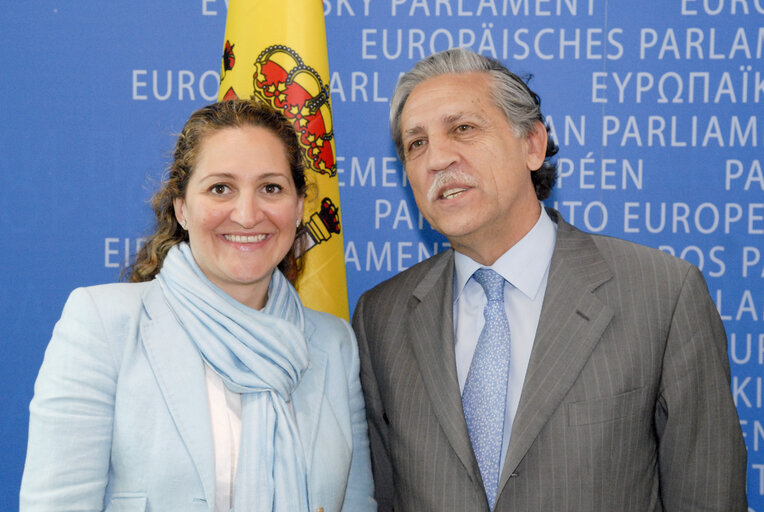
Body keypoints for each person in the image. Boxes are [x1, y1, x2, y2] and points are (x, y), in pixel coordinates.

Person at [352, 48, 747, 511]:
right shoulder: (381, 316)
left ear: (532, 145)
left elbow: (708, 498)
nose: (437, 158)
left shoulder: (662, 295)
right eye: (416, 144)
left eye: (463, 128)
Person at [20, 99, 376, 512]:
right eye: (220, 188)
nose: (246, 214)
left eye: (271, 188)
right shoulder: (103, 324)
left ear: (298, 209)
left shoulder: (334, 344)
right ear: (182, 209)